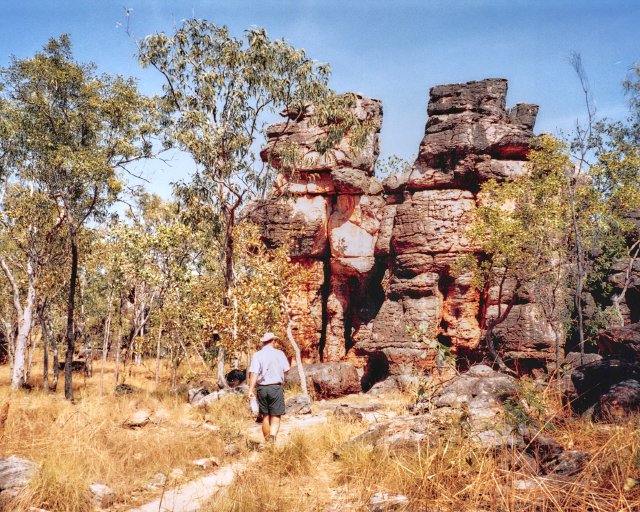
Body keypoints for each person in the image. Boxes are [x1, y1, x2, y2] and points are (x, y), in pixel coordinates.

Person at [248, 332, 290, 442]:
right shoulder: (279, 354)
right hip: (276, 388)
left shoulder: (257, 355)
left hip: (261, 388)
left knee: (265, 416)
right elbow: (287, 370)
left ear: (263, 342)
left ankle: (268, 443)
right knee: (275, 416)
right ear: (273, 341)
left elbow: (254, 373)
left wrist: (251, 389)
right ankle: (272, 438)